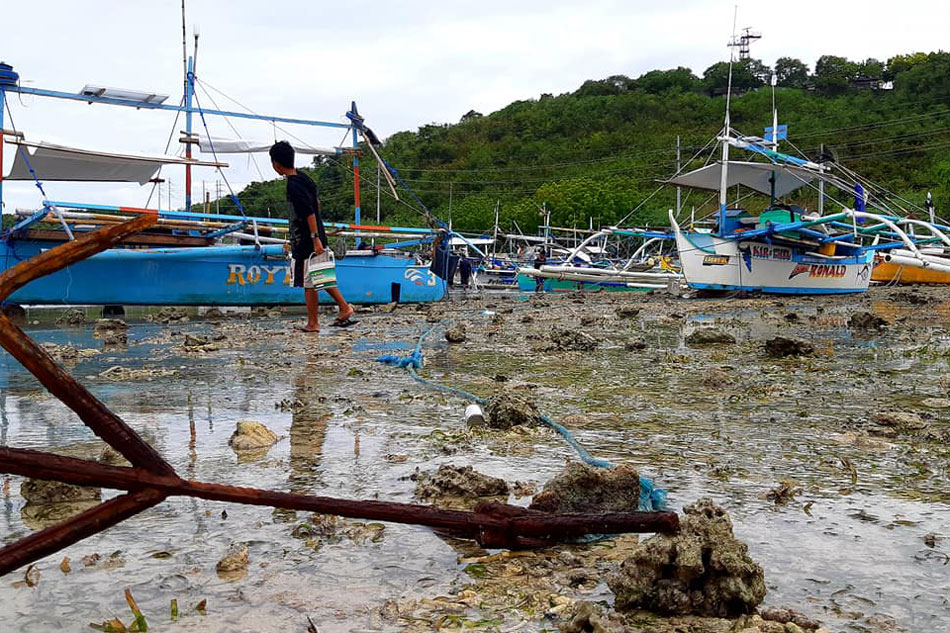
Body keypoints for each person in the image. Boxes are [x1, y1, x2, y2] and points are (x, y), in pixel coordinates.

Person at [269, 141, 355, 332]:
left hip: (307, 240)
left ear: (276, 164)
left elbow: (308, 211)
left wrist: (315, 238)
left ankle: (318, 320)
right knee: (318, 277)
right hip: (314, 236)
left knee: (310, 282)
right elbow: (317, 204)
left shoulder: (293, 185)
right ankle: (340, 309)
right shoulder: (304, 178)